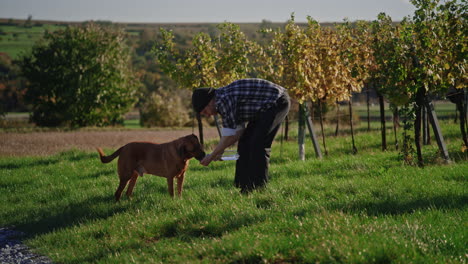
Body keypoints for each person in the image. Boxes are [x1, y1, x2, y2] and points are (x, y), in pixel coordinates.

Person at [192, 78, 290, 193]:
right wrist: (220, 151)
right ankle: (244, 187)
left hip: (277, 102)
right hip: (262, 110)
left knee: (258, 145)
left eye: (205, 112)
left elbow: (229, 135)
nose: (207, 115)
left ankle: (259, 188)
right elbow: (237, 133)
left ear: (209, 102)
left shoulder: (223, 101)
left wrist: (213, 155)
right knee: (244, 143)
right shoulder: (222, 100)